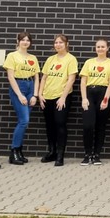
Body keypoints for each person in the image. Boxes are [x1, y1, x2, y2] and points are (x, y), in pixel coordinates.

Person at [78, 37, 110, 166]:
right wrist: (84, 98)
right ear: (95, 48)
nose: (100, 49)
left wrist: (105, 100)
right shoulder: (89, 62)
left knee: (100, 126)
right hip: (89, 93)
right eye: (98, 47)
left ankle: (96, 155)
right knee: (88, 126)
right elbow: (83, 81)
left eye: (102, 47)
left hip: (104, 94)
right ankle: (87, 154)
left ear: (107, 48)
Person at [39, 34, 78, 166]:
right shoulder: (50, 59)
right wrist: (40, 94)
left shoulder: (71, 59)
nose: (58, 45)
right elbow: (44, 78)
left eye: (61, 42)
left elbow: (71, 79)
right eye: (56, 43)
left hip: (61, 97)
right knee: (49, 125)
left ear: (66, 44)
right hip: (47, 96)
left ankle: (60, 155)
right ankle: (52, 152)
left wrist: (63, 98)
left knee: (60, 124)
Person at [3, 31, 40, 165]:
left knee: (24, 121)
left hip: (30, 86)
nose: (25, 42)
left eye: (28, 40)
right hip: (19, 86)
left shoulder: (33, 57)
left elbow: (37, 77)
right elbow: (10, 76)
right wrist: (19, 95)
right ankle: (13, 152)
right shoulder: (12, 56)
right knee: (24, 120)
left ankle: (19, 151)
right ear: (18, 41)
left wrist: (35, 95)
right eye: (23, 40)